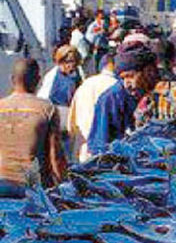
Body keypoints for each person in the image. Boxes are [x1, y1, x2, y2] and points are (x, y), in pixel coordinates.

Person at [0, 59, 67, 190]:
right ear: (38, 80)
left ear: (12, 79)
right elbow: (55, 157)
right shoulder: (47, 108)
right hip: (31, 186)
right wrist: (64, 188)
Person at [87, 43, 159, 155]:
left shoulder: (162, 91)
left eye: (130, 76)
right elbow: (100, 147)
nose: (127, 84)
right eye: (123, 78)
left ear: (148, 71)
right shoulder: (111, 99)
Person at [67, 53, 119, 163]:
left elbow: (71, 124)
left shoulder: (85, 84)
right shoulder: (118, 87)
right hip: (109, 151)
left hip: (83, 149)